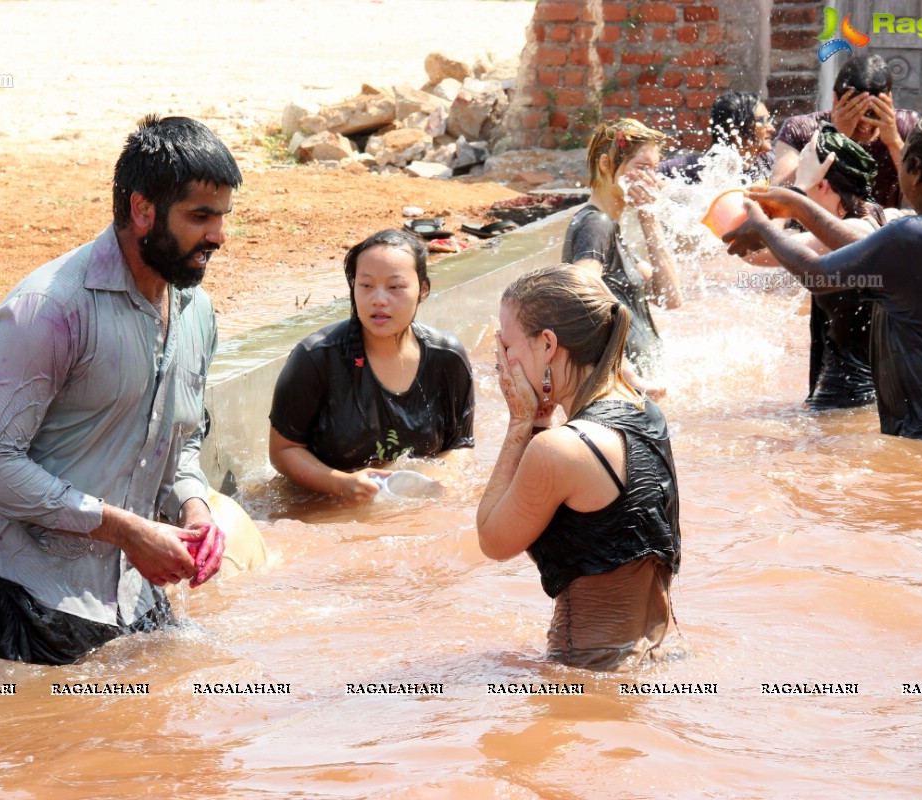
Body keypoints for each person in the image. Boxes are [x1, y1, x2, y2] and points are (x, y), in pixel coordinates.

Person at [0, 115, 240, 665]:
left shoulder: (196, 311)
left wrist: (194, 509)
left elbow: (178, 443)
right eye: (201, 216)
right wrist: (126, 529)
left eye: (224, 217)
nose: (219, 237)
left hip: (137, 594)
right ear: (142, 210)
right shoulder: (47, 310)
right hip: (33, 596)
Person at [725, 111, 922, 441]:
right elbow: (867, 249)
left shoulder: (914, 235)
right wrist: (796, 206)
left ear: (917, 171)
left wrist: (765, 229)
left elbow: (816, 274)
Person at [477, 265, 681, 670]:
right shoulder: (646, 412)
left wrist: (521, 423)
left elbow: (493, 540)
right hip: (660, 660)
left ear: (548, 345)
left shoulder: (561, 449)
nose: (502, 361)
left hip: (586, 673)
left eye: (506, 344)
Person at [268, 229, 474, 501]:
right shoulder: (315, 358)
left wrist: (441, 477)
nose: (379, 299)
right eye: (366, 285)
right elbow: (282, 451)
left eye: (395, 287)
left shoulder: (447, 357)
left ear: (423, 290)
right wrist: (340, 484)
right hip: (330, 507)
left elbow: (461, 445)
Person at [743, 123, 901, 409]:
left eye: (803, 169)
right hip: (864, 399)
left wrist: (797, 192)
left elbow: (755, 251)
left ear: (823, 184)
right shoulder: (882, 216)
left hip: (846, 397)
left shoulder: (853, 230)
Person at [564, 118, 681, 386]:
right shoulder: (595, 224)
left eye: (655, 170)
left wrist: (648, 217)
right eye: (642, 168)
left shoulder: (613, 231)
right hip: (626, 390)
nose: (651, 179)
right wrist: (630, 377)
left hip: (640, 389)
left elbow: (672, 297)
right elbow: (581, 300)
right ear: (606, 165)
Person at [771, 54, 919, 209]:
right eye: (855, 113)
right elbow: (777, 191)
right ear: (835, 100)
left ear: (889, 100)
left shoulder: (906, 126)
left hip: (884, 228)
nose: (865, 124)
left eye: (873, 113)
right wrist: (834, 139)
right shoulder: (801, 129)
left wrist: (894, 141)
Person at [659, 91, 776, 185]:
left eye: (769, 121)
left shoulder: (771, 162)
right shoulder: (700, 169)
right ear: (734, 129)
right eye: (761, 121)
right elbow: (649, 173)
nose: (772, 129)